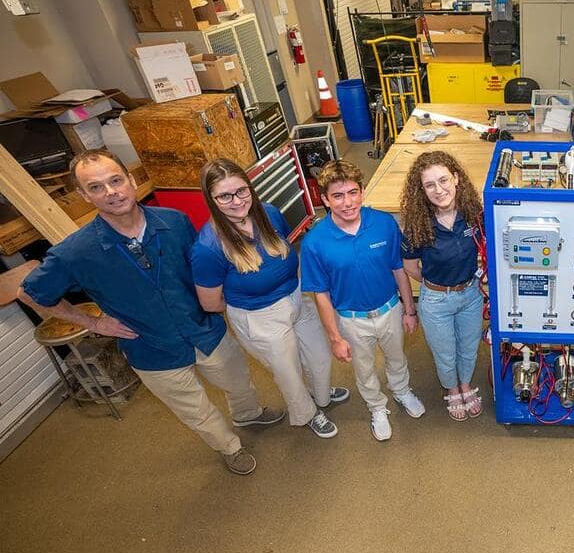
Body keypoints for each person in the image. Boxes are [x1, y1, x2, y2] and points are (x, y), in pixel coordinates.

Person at [18, 150, 283, 476]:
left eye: (116, 180)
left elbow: (203, 268)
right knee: (195, 410)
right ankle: (230, 447)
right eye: (97, 187)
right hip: (150, 348)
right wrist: (93, 322)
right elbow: (30, 294)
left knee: (239, 381)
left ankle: (248, 414)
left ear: (131, 180)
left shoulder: (174, 221)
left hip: (204, 329)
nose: (111, 192)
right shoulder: (74, 251)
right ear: (83, 195)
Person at [191, 158, 350, 440]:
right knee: (288, 373)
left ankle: (321, 395)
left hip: (297, 296)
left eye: (241, 191)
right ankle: (308, 413)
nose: (236, 200)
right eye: (224, 196)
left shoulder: (269, 213)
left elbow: (289, 250)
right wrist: (252, 303)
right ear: (211, 199)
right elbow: (210, 303)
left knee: (320, 355)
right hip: (259, 316)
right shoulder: (208, 246)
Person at [302, 159, 425, 441]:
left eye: (353, 193)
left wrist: (409, 310)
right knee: (364, 368)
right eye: (338, 195)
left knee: (397, 357)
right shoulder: (315, 243)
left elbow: (398, 268)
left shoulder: (383, 223)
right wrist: (335, 337)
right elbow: (320, 293)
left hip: (390, 309)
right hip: (351, 319)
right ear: (325, 199)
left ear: (362, 191)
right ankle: (376, 407)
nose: (347, 203)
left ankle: (402, 391)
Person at [399, 151, 485, 422]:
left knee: (469, 346)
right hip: (436, 300)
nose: (439, 190)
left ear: (456, 178)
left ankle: (466, 385)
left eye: (444, 180)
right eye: (430, 185)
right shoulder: (418, 223)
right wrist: (433, 285)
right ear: (422, 190)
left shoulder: (474, 214)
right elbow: (409, 265)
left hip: (471, 294)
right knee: (445, 350)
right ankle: (452, 388)